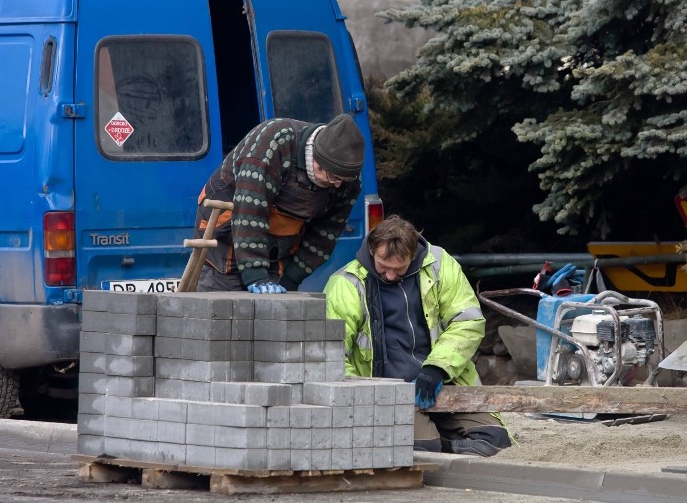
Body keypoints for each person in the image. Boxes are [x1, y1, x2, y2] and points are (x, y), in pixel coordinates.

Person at [324, 215, 512, 456]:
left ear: (413, 255)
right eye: (383, 265)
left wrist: (436, 370)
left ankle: (445, 437)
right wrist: (367, 398)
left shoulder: (440, 265)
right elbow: (334, 353)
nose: (390, 275)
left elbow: (468, 322)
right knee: (423, 451)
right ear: (372, 250)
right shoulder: (345, 284)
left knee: (494, 441)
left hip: (443, 383)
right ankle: (442, 442)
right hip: (388, 395)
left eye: (398, 268)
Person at [194, 113, 364, 293]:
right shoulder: (273, 143)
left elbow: (325, 236)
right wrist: (256, 275)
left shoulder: (347, 178)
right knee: (221, 311)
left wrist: (291, 279)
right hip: (226, 236)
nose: (337, 184)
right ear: (315, 157)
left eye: (343, 180)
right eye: (332, 177)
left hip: (277, 246)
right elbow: (250, 212)